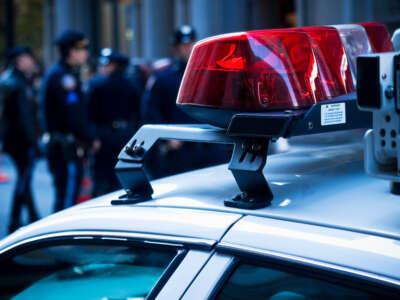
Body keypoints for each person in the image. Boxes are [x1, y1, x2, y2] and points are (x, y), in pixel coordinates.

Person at [141, 25, 230, 178]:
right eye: (184, 46)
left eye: (191, 45)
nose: (188, 49)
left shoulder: (211, 74)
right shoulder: (164, 78)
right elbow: (151, 111)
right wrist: (165, 137)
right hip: (180, 149)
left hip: (211, 147)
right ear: (176, 48)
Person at [41, 30, 100, 212]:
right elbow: (74, 116)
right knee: (67, 200)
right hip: (65, 147)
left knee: (67, 195)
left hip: (65, 146)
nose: (86, 54)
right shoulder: (63, 77)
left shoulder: (64, 74)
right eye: (83, 50)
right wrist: (90, 139)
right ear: (72, 52)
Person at [87, 48, 141, 196]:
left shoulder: (96, 84)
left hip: (103, 135)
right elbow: (138, 113)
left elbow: (89, 114)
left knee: (102, 178)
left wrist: (93, 136)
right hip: (125, 135)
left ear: (113, 65)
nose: (102, 68)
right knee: (122, 178)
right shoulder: (131, 84)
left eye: (105, 65)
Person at [0, 46, 40, 233]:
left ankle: (32, 216)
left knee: (25, 178)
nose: (31, 61)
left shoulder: (14, 80)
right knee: (24, 179)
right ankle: (16, 220)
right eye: (27, 58)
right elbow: (24, 118)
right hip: (21, 142)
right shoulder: (16, 83)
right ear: (18, 61)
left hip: (16, 140)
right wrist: (34, 142)